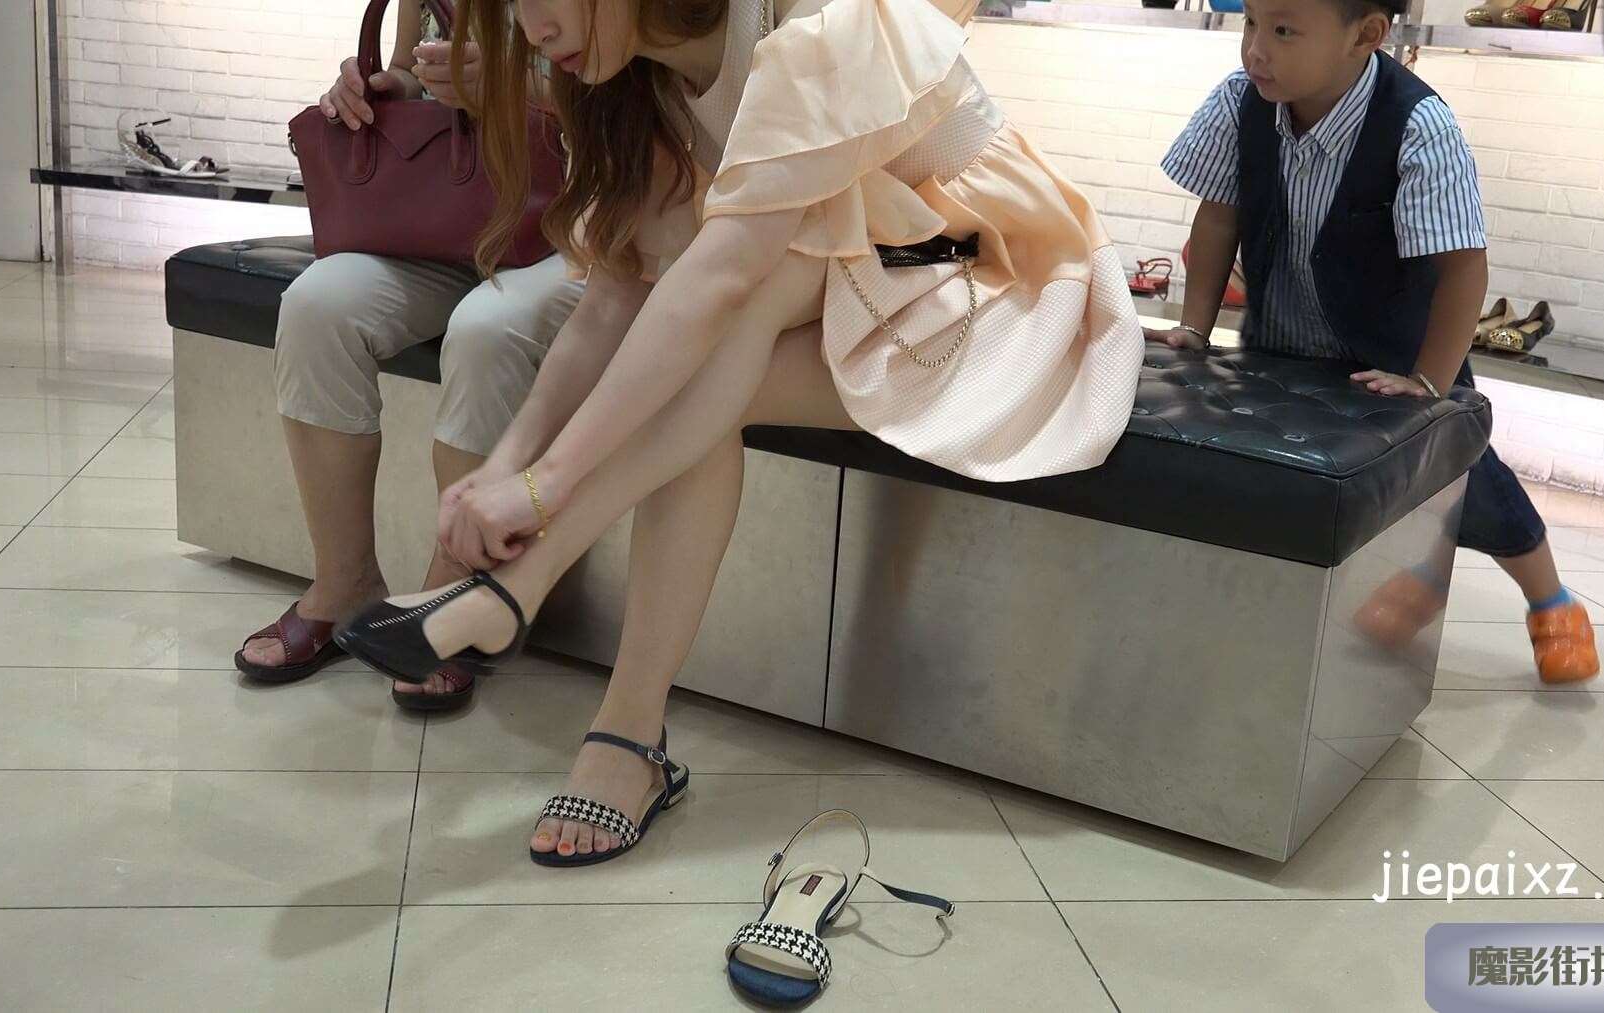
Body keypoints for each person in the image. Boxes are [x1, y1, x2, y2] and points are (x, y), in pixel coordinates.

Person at [334, 0, 1142, 864]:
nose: (531, 27)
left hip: (991, 270)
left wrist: (543, 489)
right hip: (854, 281)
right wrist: (508, 464)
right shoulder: (634, 78)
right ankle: (621, 726)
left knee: (743, 290)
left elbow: (724, 277)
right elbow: (612, 296)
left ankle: (527, 600)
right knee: (713, 363)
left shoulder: (820, 21)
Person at [1156, 0, 1599, 684]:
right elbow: (1218, 219)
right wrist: (1195, 324)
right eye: (1250, 23)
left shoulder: (1418, 124)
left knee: (1462, 477)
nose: (1256, 49)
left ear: (1365, 35)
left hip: (1401, 354)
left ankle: (1552, 601)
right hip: (1282, 342)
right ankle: (1410, 583)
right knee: (1297, 478)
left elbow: (1462, 267)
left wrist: (1429, 382)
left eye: (1283, 30)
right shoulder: (1241, 101)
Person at [232, 0, 586, 712]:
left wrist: (514, 88)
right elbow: (408, 71)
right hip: (449, 217)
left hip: (567, 224)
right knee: (316, 306)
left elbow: (639, 103)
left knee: (489, 329)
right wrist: (380, 88)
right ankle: (345, 583)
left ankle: (447, 599)